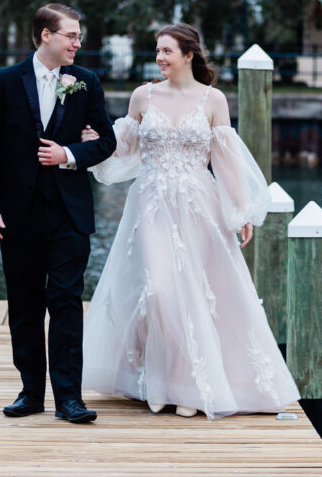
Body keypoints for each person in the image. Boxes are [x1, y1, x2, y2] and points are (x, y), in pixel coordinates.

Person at [82, 23, 299, 419]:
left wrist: (240, 211)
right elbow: (123, 147)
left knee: (197, 292)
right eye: (158, 51)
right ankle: (158, 382)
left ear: (188, 55)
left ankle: (186, 387)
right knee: (160, 290)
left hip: (200, 205)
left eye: (167, 51)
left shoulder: (213, 100)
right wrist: (93, 142)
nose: (160, 58)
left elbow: (226, 160)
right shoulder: (142, 96)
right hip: (151, 203)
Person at [0, 3, 116, 424]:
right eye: (71, 35)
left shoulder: (86, 82)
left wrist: (69, 153)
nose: (78, 43)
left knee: (67, 302)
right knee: (25, 305)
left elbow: (106, 141)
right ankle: (31, 392)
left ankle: (69, 398)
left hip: (69, 213)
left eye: (79, 36)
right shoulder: (4, 82)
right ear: (45, 36)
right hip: (16, 214)